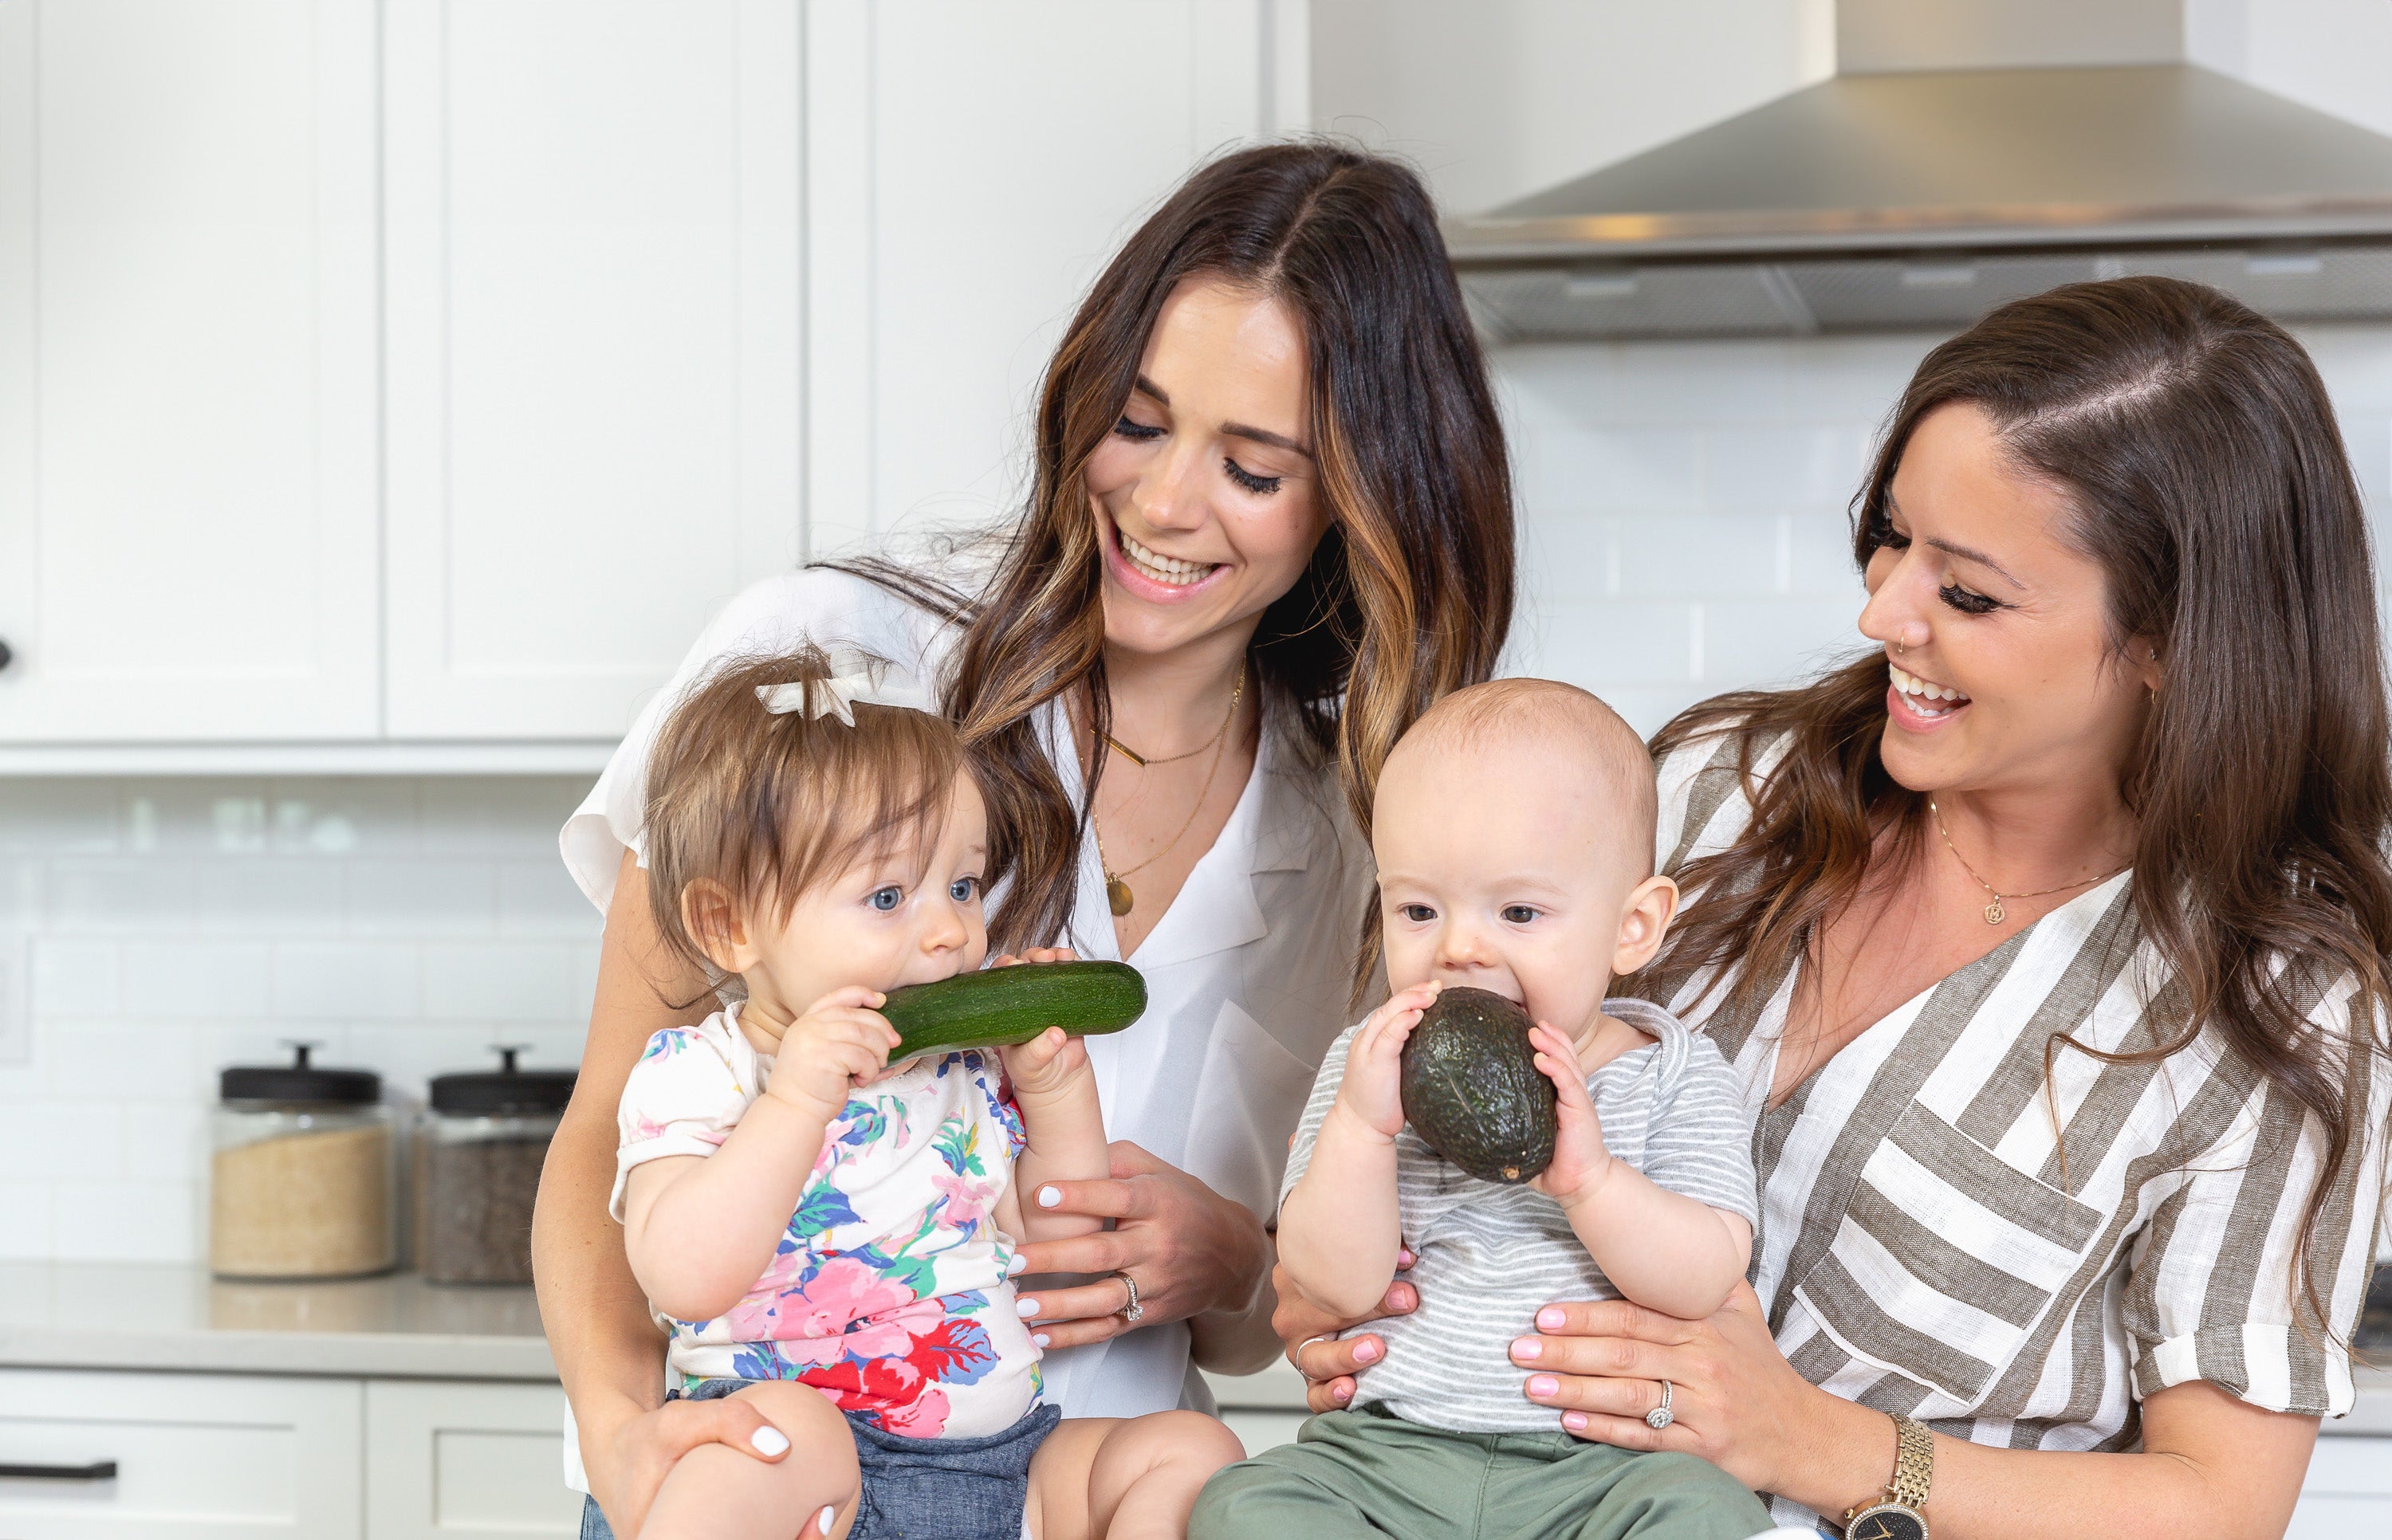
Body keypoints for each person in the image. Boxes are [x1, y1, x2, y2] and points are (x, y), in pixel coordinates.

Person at [1280, 276, 2392, 1538]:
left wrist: (1822, 1445)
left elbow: (2220, 1505)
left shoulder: (2279, 1011)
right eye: (1889, 535)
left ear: (2169, 642)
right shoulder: (1718, 797)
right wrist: (1357, 1314)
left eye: (1967, 593)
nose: (1882, 613)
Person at [538, 139, 1516, 1539]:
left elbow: (1257, 1329)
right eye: (1138, 418)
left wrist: (1231, 1254)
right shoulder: (832, 660)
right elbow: (601, 1137)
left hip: (1059, 1487)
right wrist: (629, 1443)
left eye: (1252, 466)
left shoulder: (1365, 836)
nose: (1167, 501)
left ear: (1366, 497)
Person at [612, 646, 1237, 1540]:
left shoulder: (961, 1071)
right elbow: (684, 1274)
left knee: (1192, 1453)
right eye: (889, 895)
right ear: (730, 923)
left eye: (963, 884)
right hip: (812, 1479)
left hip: (1005, 1466)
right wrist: (795, 1102)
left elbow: (1059, 1254)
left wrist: (1054, 1086)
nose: (950, 931)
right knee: (765, 1444)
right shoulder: (699, 1073)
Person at [1194, 680, 1772, 1538]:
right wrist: (1359, 1130)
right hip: (1386, 1457)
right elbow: (1334, 1284)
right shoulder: (1367, 1071)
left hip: (1605, 1471)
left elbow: (1705, 1278)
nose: (1460, 947)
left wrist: (1593, 1184)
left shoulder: (1675, 1074)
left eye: (1519, 911)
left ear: (1633, 926)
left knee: (1706, 1516)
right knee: (1244, 1503)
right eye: (1419, 909)